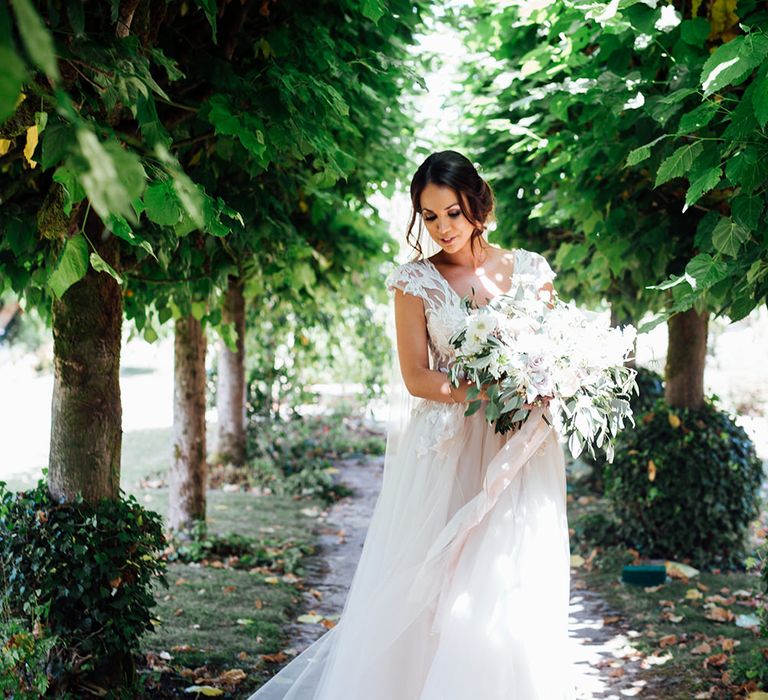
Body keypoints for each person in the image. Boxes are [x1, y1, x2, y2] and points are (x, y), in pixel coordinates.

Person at [247, 150, 575, 699]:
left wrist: (540, 383)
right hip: (448, 448)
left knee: (507, 580)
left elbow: (552, 353)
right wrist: (483, 391)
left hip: (519, 446)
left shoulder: (529, 271)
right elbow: (417, 378)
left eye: (452, 212)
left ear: (477, 204)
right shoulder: (414, 282)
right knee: (431, 586)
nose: (442, 228)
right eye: (429, 217)